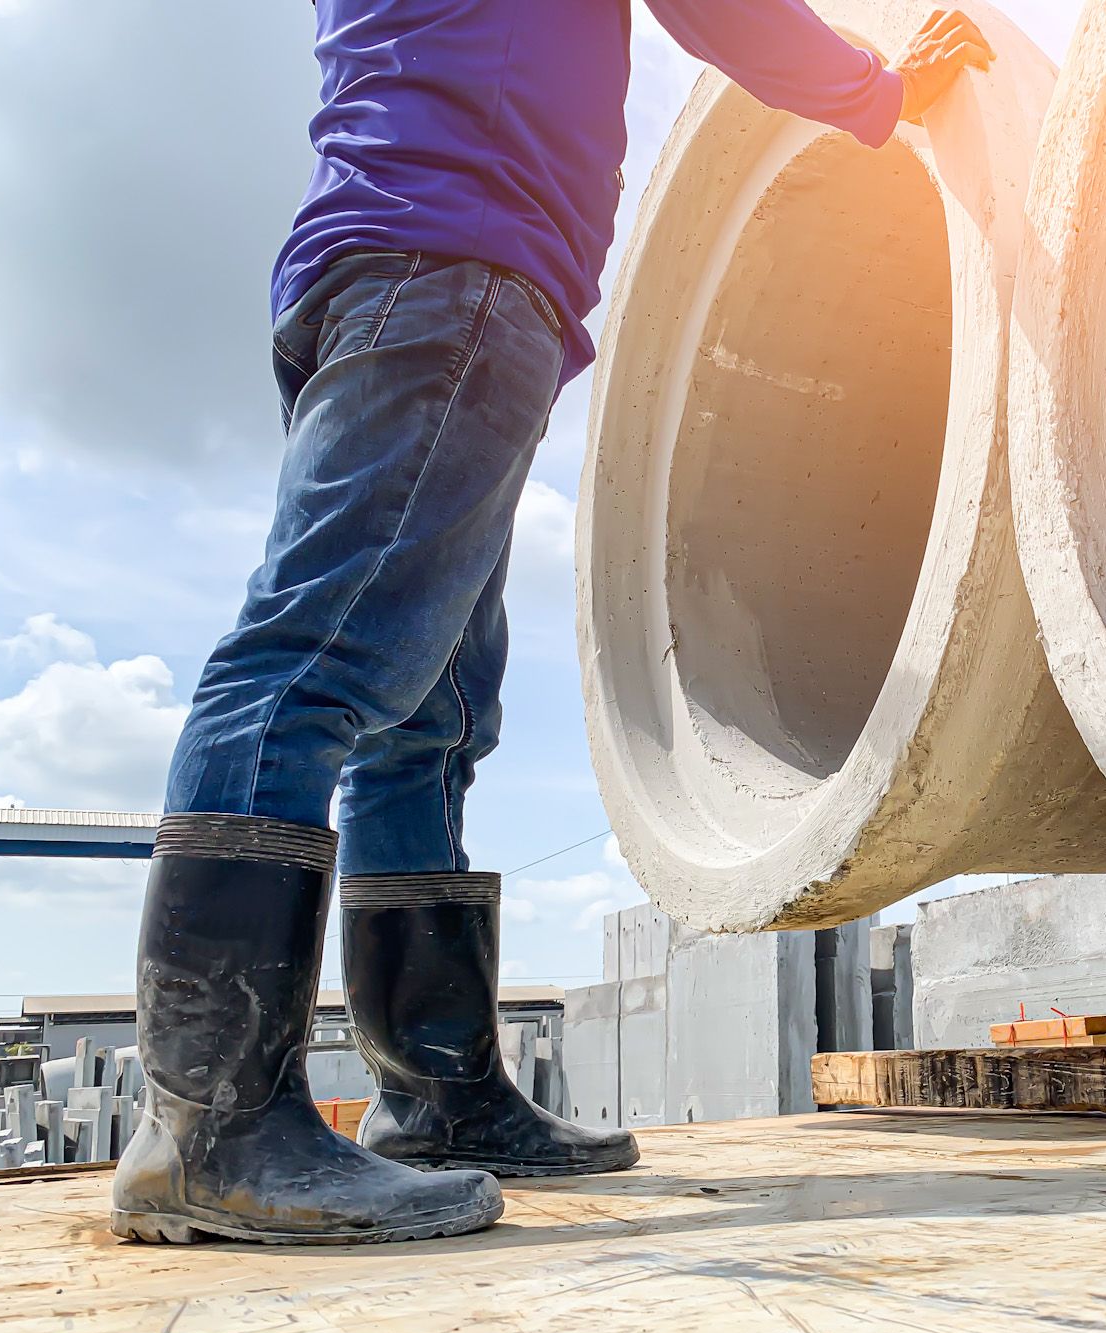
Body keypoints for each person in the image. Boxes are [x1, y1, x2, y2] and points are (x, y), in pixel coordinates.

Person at [110, 1, 995, 1246]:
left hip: (396, 268)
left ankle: (438, 1096)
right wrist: (879, 96)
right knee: (311, 665)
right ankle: (210, 1135)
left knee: (427, 720)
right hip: (452, 264)